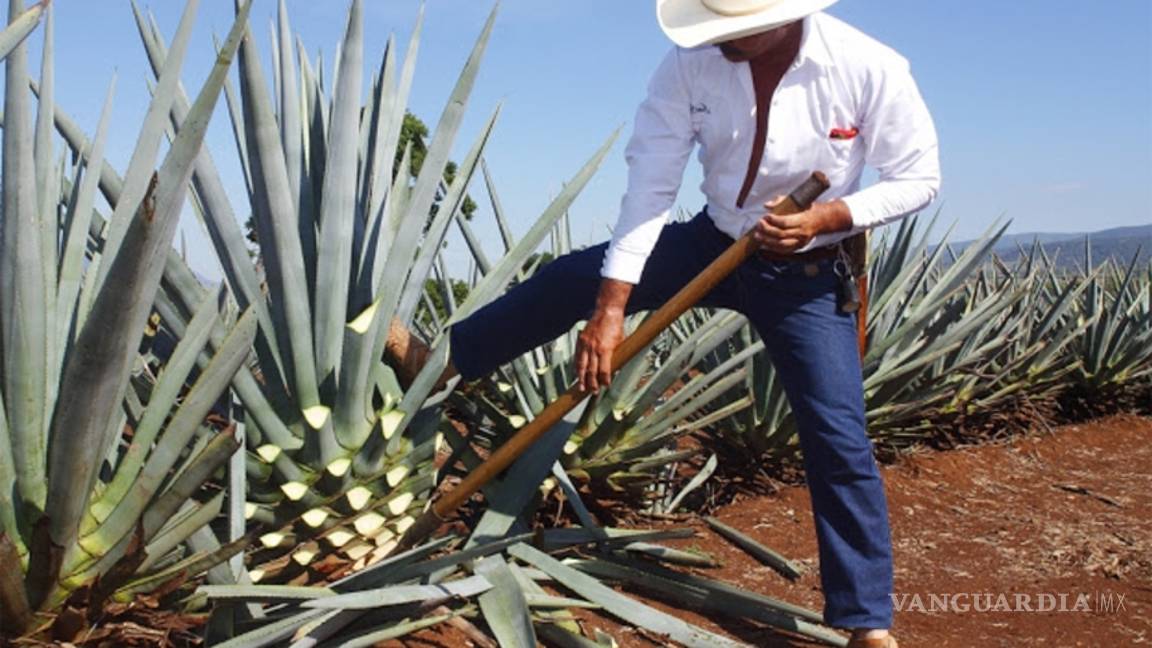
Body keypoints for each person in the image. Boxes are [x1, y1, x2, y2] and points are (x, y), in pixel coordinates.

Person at [388, 1, 940, 645]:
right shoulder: (689, 66)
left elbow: (918, 177)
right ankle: (450, 360)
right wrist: (612, 305)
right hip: (715, 244)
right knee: (572, 277)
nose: (719, 41)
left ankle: (864, 619)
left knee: (837, 436)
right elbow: (651, 185)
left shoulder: (868, 67)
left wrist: (829, 218)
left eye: (734, 29)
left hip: (806, 275)